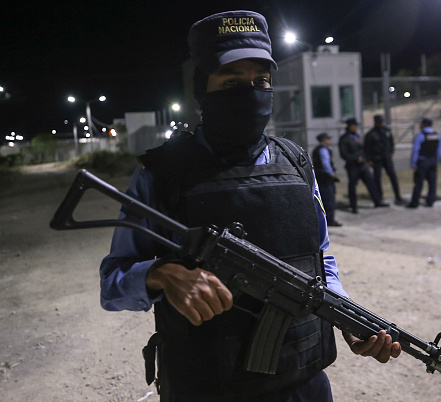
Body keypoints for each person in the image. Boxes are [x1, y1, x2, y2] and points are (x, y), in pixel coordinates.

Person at [99, 10, 401, 402]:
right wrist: (160, 274)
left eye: (261, 81)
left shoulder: (295, 162)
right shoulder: (162, 173)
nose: (251, 92)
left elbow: (320, 257)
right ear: (203, 90)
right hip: (207, 387)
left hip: (305, 383)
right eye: (232, 82)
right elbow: (112, 284)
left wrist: (346, 316)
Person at [339, 117, 390, 213]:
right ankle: (353, 206)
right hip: (353, 166)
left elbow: (362, 149)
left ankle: (377, 201)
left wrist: (366, 159)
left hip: (362, 165)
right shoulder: (344, 139)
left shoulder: (356, 136)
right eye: (354, 126)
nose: (356, 128)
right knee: (352, 186)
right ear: (349, 126)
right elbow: (344, 154)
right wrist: (355, 158)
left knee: (371, 183)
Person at [364, 114, 404, 205]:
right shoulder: (371, 134)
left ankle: (397, 196)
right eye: (379, 122)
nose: (381, 124)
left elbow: (391, 142)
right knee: (377, 178)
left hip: (387, 158)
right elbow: (366, 148)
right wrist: (369, 159)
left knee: (393, 176)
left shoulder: (387, 131)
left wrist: (391, 151)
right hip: (376, 159)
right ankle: (379, 197)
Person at [407, 118, 441, 209]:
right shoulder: (437, 135)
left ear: (423, 124)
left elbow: (416, 150)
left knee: (418, 183)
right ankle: (430, 201)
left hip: (422, 162)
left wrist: (413, 163)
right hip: (433, 161)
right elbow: (439, 150)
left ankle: (414, 203)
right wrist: (437, 161)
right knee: (432, 183)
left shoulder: (420, 135)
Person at [312, 132, 342, 227]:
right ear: (323, 140)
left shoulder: (317, 149)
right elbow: (325, 163)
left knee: (323, 198)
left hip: (320, 177)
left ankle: (325, 219)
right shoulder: (323, 150)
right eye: (327, 139)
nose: (329, 141)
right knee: (329, 198)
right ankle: (330, 219)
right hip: (325, 177)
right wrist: (332, 174)